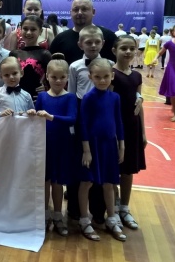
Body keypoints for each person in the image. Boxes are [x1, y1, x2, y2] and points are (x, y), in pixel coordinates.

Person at [78, 58, 126, 242]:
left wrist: (121, 145)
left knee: (109, 183)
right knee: (87, 182)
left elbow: (118, 121)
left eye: (106, 76)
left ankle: (112, 219)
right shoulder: (88, 98)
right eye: (97, 77)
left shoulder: (115, 98)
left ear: (112, 76)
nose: (102, 80)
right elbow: (83, 124)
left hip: (109, 146)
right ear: (90, 77)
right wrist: (86, 150)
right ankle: (84, 219)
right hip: (93, 146)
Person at [34, 54, 77, 237]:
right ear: (47, 77)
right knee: (45, 182)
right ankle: (44, 215)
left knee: (58, 183)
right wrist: (32, 113)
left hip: (62, 145)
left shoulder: (70, 98)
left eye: (62, 77)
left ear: (67, 77)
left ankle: (58, 216)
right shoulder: (42, 97)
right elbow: (35, 118)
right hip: (44, 144)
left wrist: (51, 117)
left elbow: (72, 119)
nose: (58, 81)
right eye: (54, 77)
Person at [111, 36, 146, 231]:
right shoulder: (111, 75)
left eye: (132, 48)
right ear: (114, 50)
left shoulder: (137, 76)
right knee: (113, 169)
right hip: (116, 127)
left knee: (128, 169)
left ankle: (125, 207)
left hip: (133, 128)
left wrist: (143, 132)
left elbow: (139, 104)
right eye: (123, 48)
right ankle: (114, 208)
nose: (128, 52)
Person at [49, 0, 117, 65]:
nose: (79, 13)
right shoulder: (60, 40)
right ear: (71, 13)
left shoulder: (109, 37)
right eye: (76, 10)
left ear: (93, 12)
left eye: (84, 9)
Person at [11, 16, 52, 99]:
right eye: (25, 29)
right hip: (16, 97)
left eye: (33, 29)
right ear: (20, 30)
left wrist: (46, 87)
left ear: (40, 31)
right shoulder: (14, 54)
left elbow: (52, 77)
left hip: (37, 98)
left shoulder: (45, 54)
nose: (29, 33)